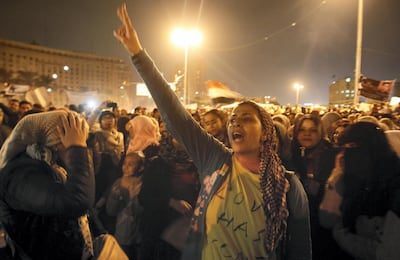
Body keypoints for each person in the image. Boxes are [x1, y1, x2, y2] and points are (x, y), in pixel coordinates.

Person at [114, 4, 311, 259]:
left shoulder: (288, 186)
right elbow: (177, 117)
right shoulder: (215, 160)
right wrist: (137, 53)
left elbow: (300, 252)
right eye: (233, 119)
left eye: (246, 119)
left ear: (266, 133)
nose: (235, 124)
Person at [0, 110, 127, 259]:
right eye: (71, 139)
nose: (80, 144)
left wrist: (99, 232)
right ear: (52, 141)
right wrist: (77, 149)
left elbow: (85, 212)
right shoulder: (19, 174)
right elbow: (77, 202)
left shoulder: (52, 163)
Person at [320, 122, 400, 259]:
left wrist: (342, 235)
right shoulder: (352, 177)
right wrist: (336, 176)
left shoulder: (394, 184)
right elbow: (327, 219)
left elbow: (388, 253)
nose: (345, 154)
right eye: (344, 148)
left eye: (352, 147)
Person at [290, 114, 350, 259]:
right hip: (303, 221)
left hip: (325, 223)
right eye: (302, 130)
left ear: (321, 133)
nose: (307, 134)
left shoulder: (333, 156)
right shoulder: (294, 155)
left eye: (313, 130)